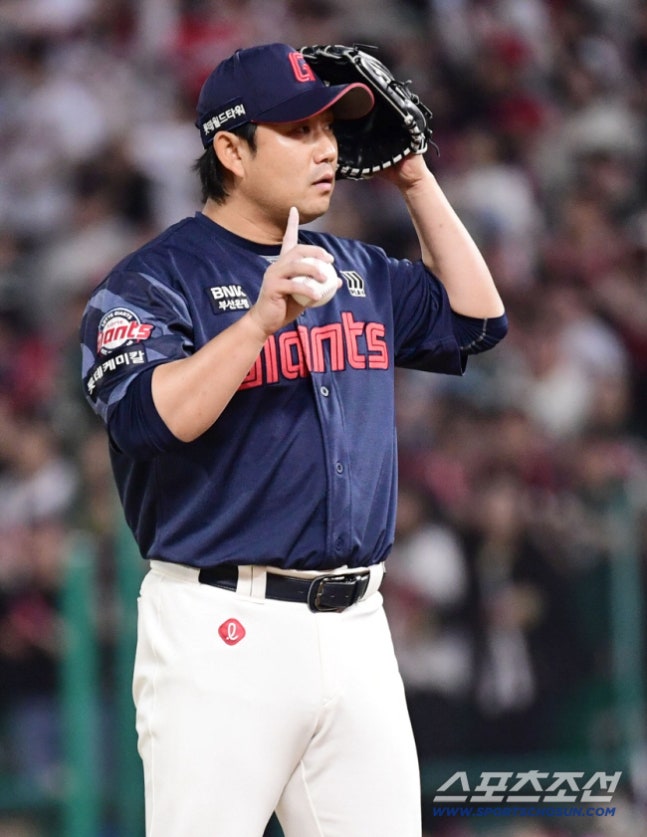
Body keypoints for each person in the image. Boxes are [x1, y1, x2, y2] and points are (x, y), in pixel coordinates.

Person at [79, 42, 507, 837]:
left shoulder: (353, 268)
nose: (327, 148)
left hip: (358, 624)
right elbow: (146, 420)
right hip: (221, 627)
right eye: (299, 129)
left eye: (330, 127)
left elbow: (476, 321)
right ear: (231, 150)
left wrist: (415, 179)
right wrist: (257, 323)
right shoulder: (153, 281)